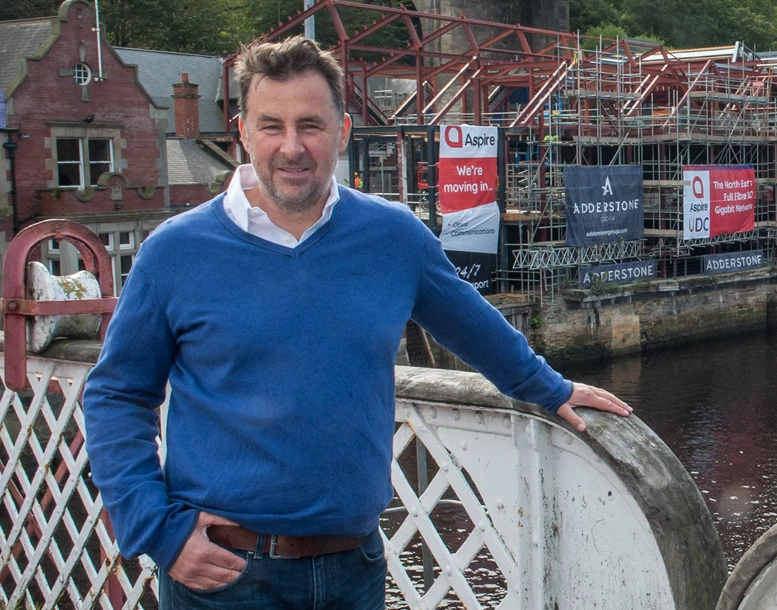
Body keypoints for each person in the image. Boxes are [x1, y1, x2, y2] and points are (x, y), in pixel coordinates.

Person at [82, 36, 632, 609]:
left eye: (311, 126)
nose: (292, 147)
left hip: (353, 569)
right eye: (272, 126)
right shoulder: (176, 252)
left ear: (342, 132)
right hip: (223, 577)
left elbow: (472, 326)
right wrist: (158, 531)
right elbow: (117, 394)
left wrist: (551, 388)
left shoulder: (392, 237)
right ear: (242, 132)